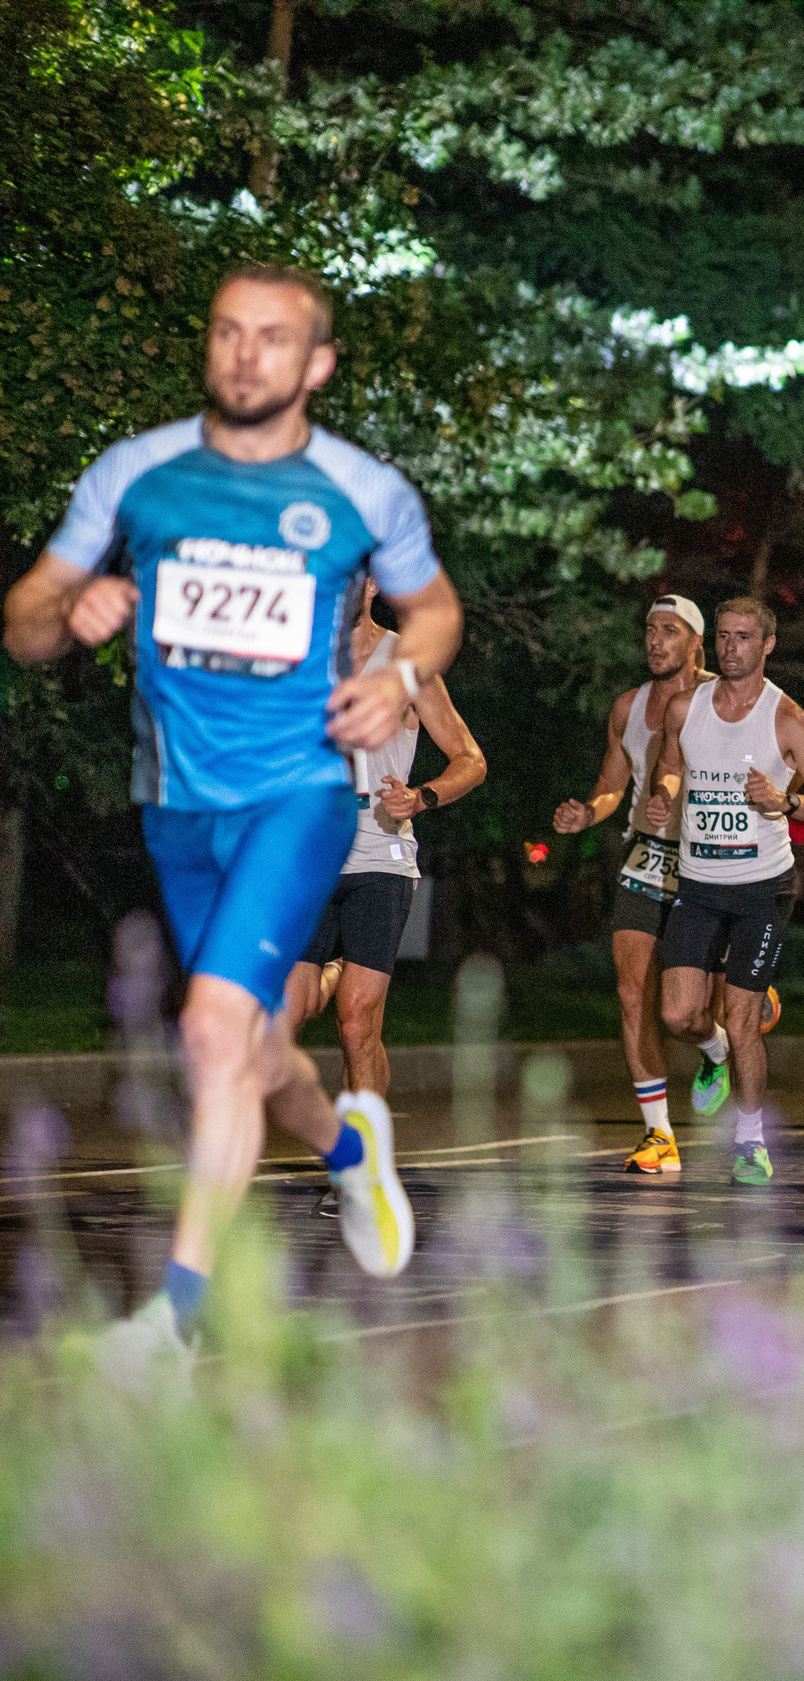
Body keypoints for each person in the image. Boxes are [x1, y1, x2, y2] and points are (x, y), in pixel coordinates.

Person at [5, 265, 462, 1370]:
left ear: (317, 364)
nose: (246, 354)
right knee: (252, 1049)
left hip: (300, 795)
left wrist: (401, 677)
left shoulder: (363, 490)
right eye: (226, 333)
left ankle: (176, 1324)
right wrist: (72, 609)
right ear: (208, 348)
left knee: (211, 1031)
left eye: (274, 338)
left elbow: (436, 610)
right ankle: (349, 1151)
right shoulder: (138, 473)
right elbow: (23, 617)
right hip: (178, 804)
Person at [639, 597, 804, 1185]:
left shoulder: (787, 719)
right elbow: (672, 763)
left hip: (762, 890)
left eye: (744, 637)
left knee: (747, 1018)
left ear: (767, 645)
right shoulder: (684, 706)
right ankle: (716, 1051)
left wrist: (787, 802)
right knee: (677, 1014)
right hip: (698, 884)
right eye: (723, 636)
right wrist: (666, 792)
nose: (731, 647)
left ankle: (751, 1143)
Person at [284, 571, 485, 1094]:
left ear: (372, 585)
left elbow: (471, 759)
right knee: (288, 1013)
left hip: (380, 853)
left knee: (356, 1025)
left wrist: (421, 797)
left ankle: (362, 1157)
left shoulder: (406, 665)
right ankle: (334, 968)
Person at [552, 594, 714, 1172]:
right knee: (631, 991)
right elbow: (612, 784)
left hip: (713, 864)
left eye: (669, 630)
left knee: (689, 1014)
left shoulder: (725, 701)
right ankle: (659, 1135)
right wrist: (588, 813)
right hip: (646, 856)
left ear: (696, 641)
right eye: (649, 629)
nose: (655, 640)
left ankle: (715, 1048)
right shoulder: (628, 706)